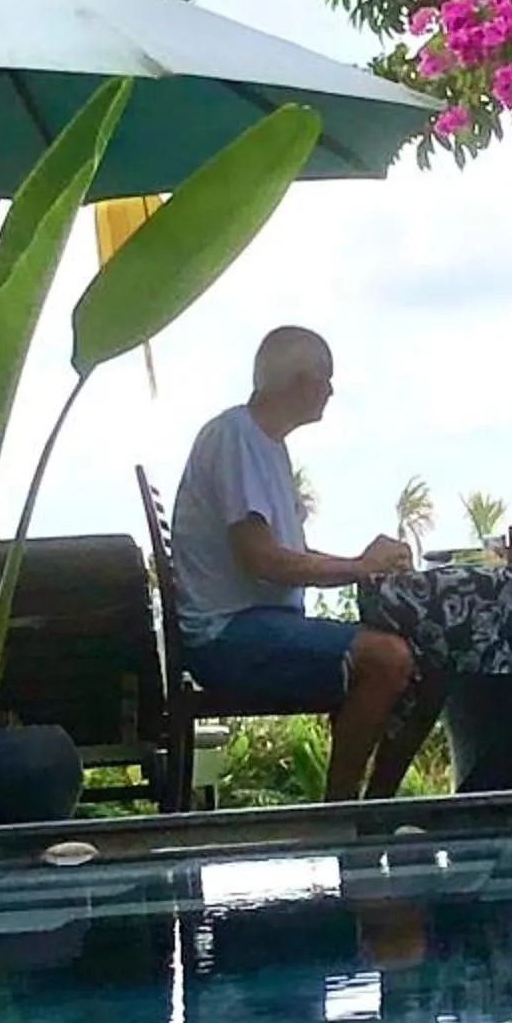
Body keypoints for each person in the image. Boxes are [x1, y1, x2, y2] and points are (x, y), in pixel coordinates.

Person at [170, 327, 416, 801]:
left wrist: (362, 563)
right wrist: (359, 567)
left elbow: (287, 554)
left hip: (253, 628)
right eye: (325, 377)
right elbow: (263, 561)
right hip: (228, 637)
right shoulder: (236, 438)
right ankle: (345, 813)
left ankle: (368, 807)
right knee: (387, 658)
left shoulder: (262, 444)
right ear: (299, 381)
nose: (330, 389)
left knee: (416, 656)